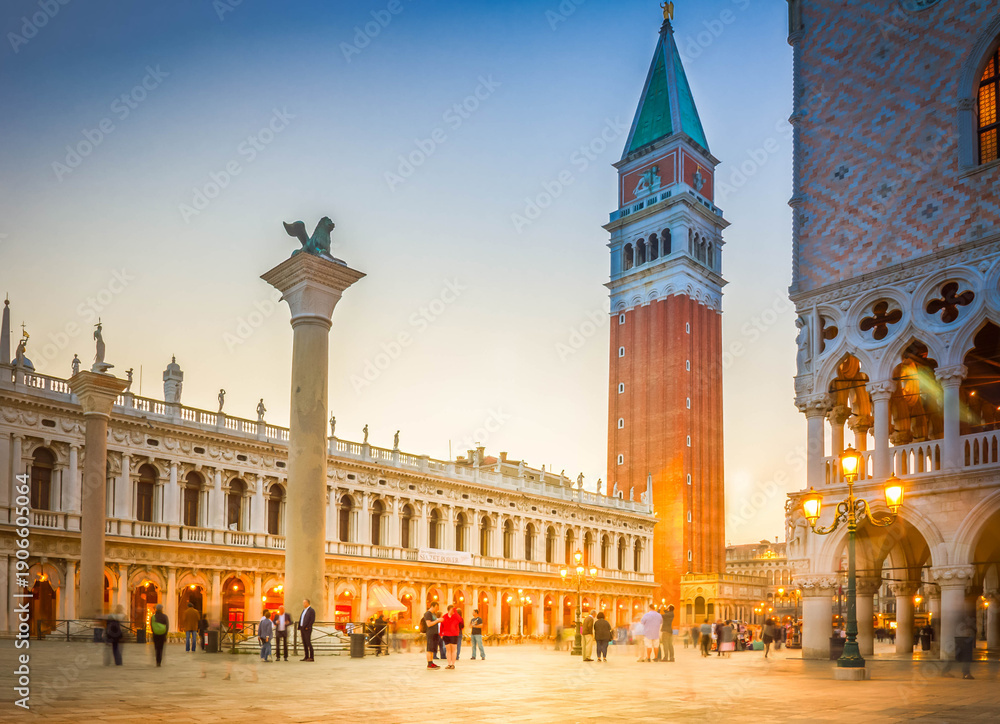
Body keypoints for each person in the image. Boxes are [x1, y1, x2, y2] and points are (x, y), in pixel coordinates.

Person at [439, 604, 462, 669]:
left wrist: (455, 613)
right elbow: (441, 625)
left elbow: (460, 620)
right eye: (452, 609)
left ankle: (453, 664)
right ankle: (449, 664)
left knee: (453, 649)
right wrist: (441, 634)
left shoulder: (455, 616)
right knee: (448, 650)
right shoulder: (444, 616)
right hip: (446, 635)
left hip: (454, 634)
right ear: (449, 610)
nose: (454, 611)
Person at [422, 601, 442, 670]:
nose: (437, 609)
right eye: (436, 607)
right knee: (429, 648)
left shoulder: (434, 614)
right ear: (432, 606)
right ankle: (429, 663)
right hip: (430, 633)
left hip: (435, 633)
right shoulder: (428, 614)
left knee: (433, 648)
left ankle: (431, 662)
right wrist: (437, 620)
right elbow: (429, 624)